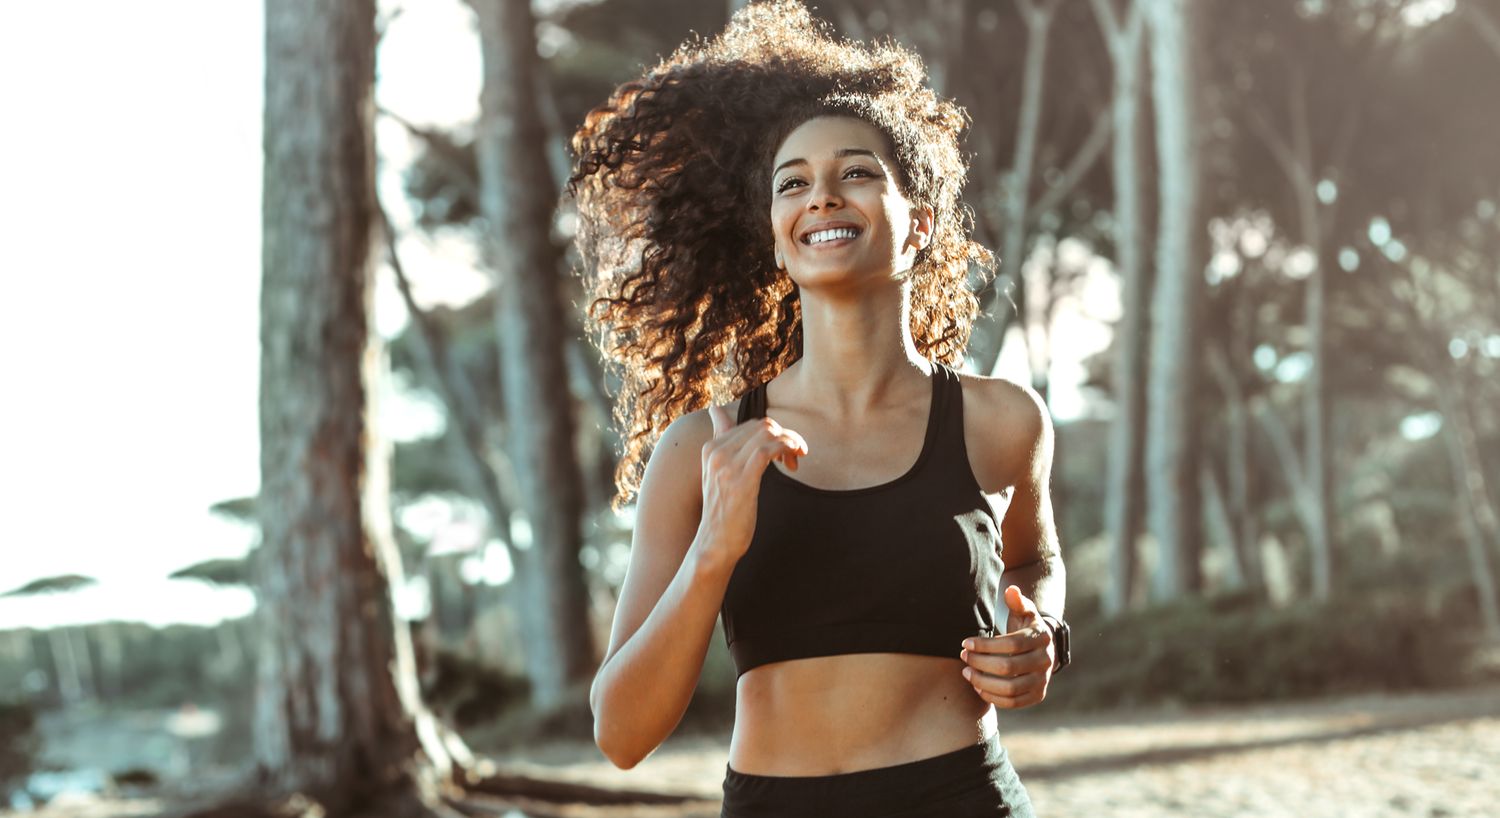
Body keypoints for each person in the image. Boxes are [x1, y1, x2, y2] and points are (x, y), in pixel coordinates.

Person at [568, 3, 1068, 815]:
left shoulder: (1002, 422)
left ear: (919, 227)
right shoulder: (704, 448)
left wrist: (1044, 631)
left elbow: (1034, 561)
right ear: (775, 236)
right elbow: (621, 735)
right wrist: (711, 553)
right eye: (792, 182)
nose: (823, 196)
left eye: (859, 172)